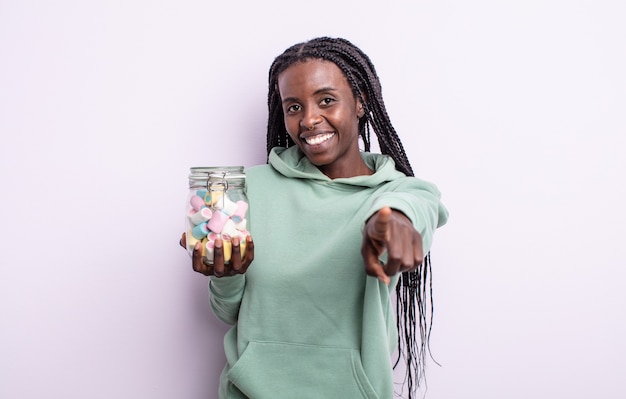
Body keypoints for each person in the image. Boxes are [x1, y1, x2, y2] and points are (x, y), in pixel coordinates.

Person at [180, 37, 448, 399]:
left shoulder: (396, 194)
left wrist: (392, 222)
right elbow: (227, 312)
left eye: (326, 100)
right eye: (293, 107)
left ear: (360, 103)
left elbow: (417, 207)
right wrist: (225, 275)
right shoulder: (246, 188)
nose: (308, 119)